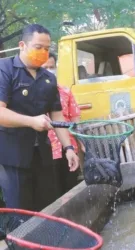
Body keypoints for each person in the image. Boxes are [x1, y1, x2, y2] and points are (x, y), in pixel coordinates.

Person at [0, 24, 80, 210]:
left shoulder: (48, 78)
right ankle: (19, 240)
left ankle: (49, 239)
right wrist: (31, 121)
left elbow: (57, 114)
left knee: (48, 206)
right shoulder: (5, 69)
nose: (43, 52)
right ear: (22, 45)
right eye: (38, 47)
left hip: (42, 154)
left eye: (46, 48)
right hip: (13, 156)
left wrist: (68, 147)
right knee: (21, 210)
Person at [42, 53, 82, 196]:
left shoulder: (65, 91)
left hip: (68, 148)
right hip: (46, 151)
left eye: (51, 67)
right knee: (52, 193)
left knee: (71, 190)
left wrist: (81, 142)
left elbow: (75, 119)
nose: (48, 70)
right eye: (44, 67)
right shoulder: (32, 94)